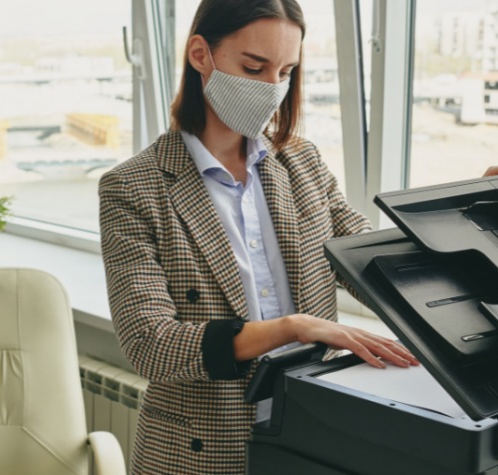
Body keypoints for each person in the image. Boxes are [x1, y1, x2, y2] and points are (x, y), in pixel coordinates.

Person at [98, 1, 418, 473]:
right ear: (200, 54)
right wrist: (292, 328)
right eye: (254, 67)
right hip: (197, 451)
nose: (273, 89)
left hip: (309, 435)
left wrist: (460, 223)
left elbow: (374, 265)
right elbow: (152, 345)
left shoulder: (302, 163)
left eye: (286, 71)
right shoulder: (133, 188)